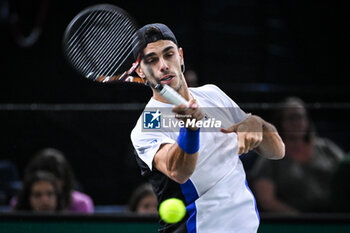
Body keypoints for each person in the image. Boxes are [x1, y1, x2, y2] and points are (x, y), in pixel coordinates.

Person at [130, 23, 285, 233]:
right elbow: (178, 171)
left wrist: (258, 124)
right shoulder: (148, 124)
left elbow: (277, 151)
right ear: (140, 70)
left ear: (181, 56)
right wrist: (190, 130)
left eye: (169, 54)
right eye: (152, 60)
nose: (163, 65)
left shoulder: (213, 94)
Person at [251, 97, 345, 213]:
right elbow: (266, 200)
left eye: (300, 117)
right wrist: (300, 219)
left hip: (335, 218)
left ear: (307, 121)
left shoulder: (326, 149)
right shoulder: (270, 156)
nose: (297, 123)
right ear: (281, 122)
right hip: (293, 222)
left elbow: (345, 175)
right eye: (291, 118)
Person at [11, 148, 94, 213]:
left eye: (50, 194)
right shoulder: (18, 204)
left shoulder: (81, 204)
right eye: (37, 195)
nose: (45, 200)